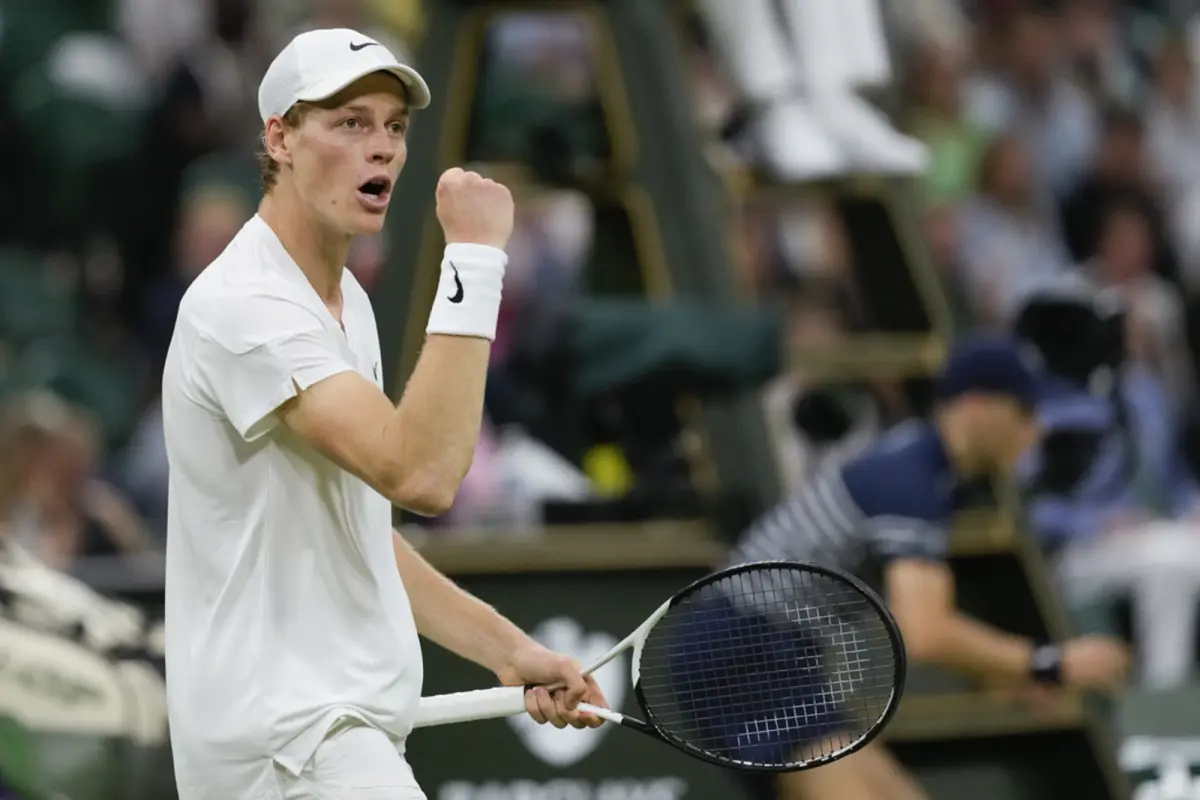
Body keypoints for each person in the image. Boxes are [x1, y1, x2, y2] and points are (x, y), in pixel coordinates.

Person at [160, 28, 607, 800]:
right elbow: (423, 476)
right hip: (295, 742)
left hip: (324, 736)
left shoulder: (345, 303)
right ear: (281, 138)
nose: (384, 149)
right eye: (351, 122)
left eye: (394, 127)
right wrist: (473, 258)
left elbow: (362, 531)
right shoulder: (245, 307)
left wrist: (506, 648)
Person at [723, 335, 1130, 800]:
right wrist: (1051, 664)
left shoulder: (926, 470)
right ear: (976, 406)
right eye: (1023, 411)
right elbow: (925, 632)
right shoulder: (912, 483)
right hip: (745, 654)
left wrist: (1004, 673)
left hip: (777, 656)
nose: (1035, 431)